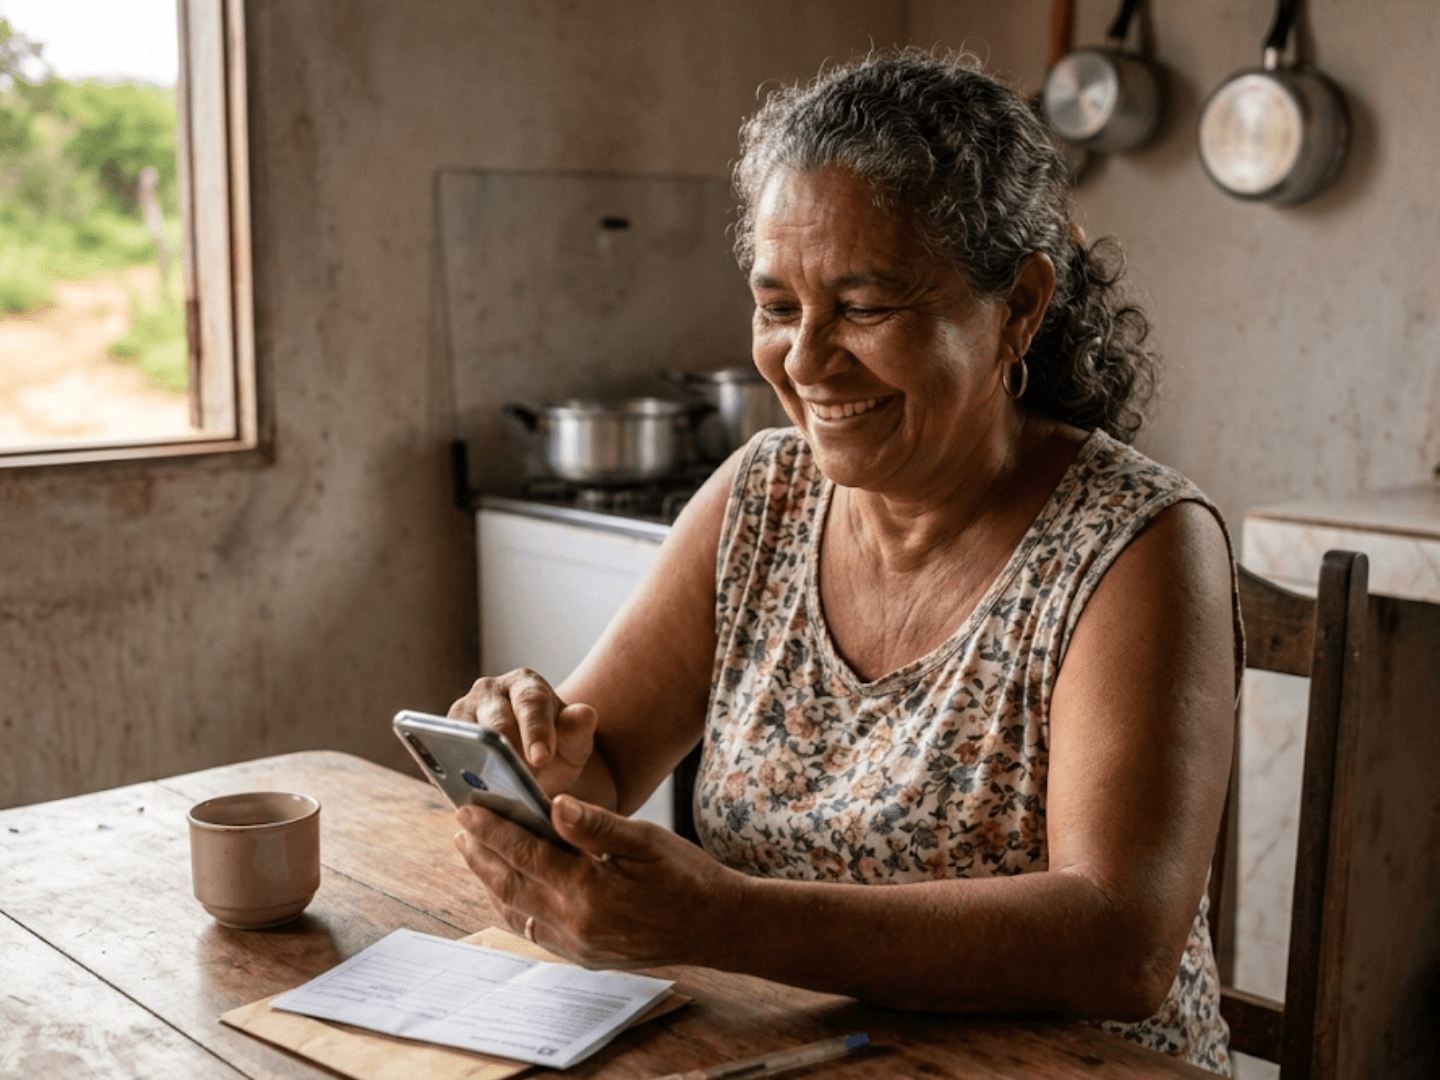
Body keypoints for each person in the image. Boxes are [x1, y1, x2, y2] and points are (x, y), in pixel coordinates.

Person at [450, 48, 1239, 1075]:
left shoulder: (1136, 541)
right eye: (778, 307)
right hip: (798, 1055)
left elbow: (1118, 940)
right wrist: (533, 755)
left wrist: (730, 924)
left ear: (1020, 307)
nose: (806, 360)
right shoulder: (760, 498)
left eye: (865, 308)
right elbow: (596, 760)